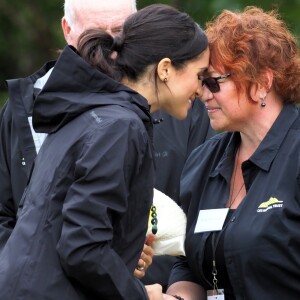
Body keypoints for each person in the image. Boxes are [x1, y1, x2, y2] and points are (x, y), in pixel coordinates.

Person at [0, 4, 210, 300]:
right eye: (200, 75)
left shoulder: (94, 112)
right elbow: (81, 247)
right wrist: (142, 296)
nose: (202, 90)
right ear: (165, 69)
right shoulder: (120, 125)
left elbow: (67, 228)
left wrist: (123, 254)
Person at [0, 0, 157, 278]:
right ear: (66, 29)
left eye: (119, 31)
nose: (108, 44)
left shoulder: (165, 104)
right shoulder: (23, 110)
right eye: (95, 31)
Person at [164, 6, 300, 300]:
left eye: (215, 81)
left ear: (263, 82)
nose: (203, 94)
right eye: (201, 81)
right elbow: (187, 261)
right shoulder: (204, 160)